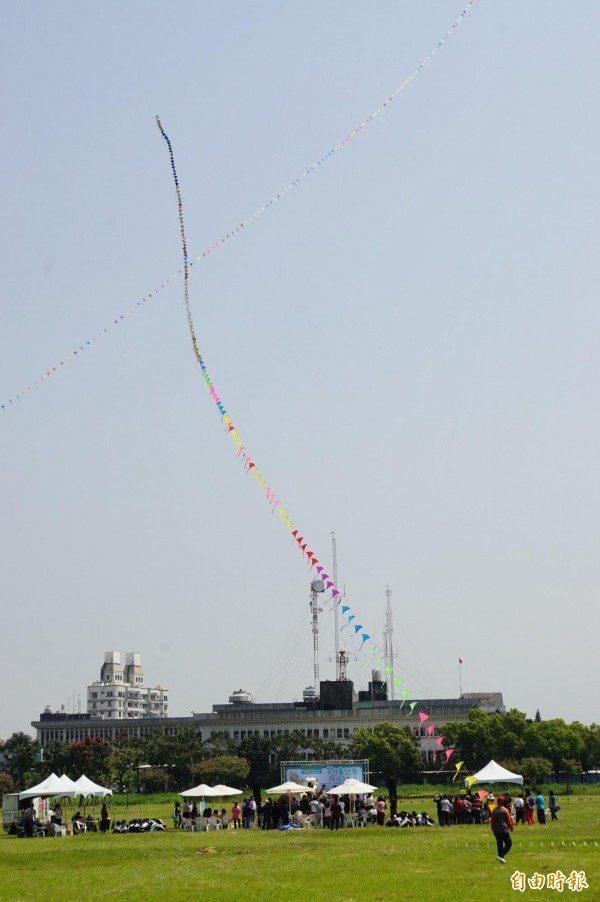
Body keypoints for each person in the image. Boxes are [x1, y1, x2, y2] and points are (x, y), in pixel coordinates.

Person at [490, 796, 514, 863]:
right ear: (503, 802)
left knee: (499, 844)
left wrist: (492, 828)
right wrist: (511, 827)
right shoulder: (505, 810)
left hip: (496, 830)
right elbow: (509, 821)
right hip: (504, 830)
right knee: (509, 844)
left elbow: (492, 821)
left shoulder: (494, 810)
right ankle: (500, 856)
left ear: (497, 802)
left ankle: (501, 859)